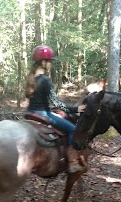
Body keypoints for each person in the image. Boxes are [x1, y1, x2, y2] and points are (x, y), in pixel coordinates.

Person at [25, 45, 87, 173]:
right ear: (43, 62)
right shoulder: (46, 80)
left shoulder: (31, 79)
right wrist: (76, 110)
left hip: (30, 114)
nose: (51, 64)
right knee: (73, 129)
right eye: (50, 62)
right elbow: (57, 103)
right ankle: (73, 162)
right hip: (44, 114)